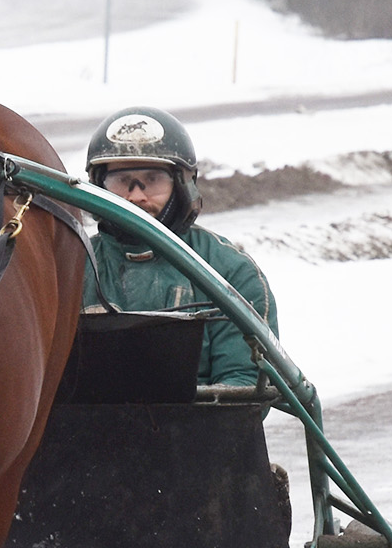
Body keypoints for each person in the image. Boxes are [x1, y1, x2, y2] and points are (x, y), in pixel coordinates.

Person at [82, 106, 277, 387]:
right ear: (99, 187)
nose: (136, 196)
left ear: (182, 185)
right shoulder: (71, 266)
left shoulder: (228, 270)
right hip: (89, 428)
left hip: (197, 428)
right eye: (122, 181)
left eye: (152, 180)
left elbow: (245, 381)